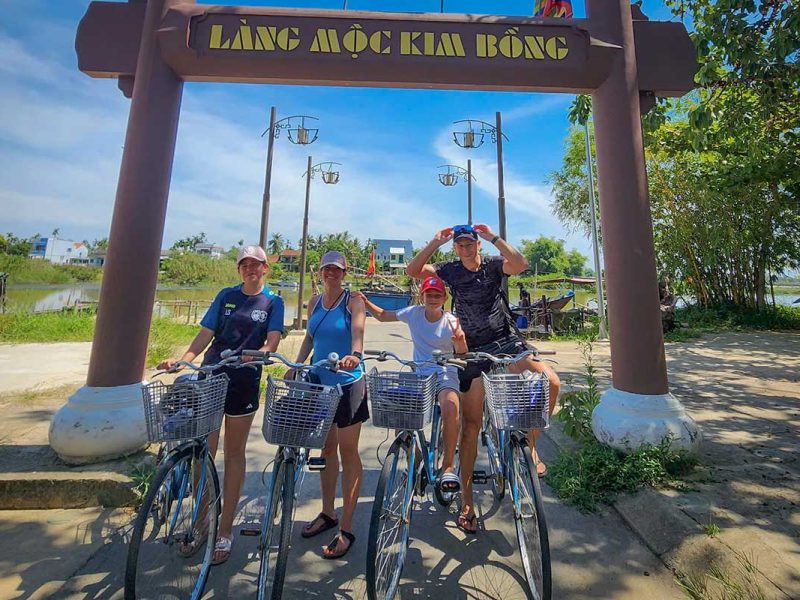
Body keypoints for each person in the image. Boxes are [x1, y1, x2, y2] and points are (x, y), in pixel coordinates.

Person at [407, 224, 560, 535]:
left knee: (551, 382)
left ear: (477, 245)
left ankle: (530, 445)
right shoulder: (449, 269)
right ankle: (467, 503)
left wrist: (493, 237)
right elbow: (413, 271)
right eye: (460, 244)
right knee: (471, 425)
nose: (465, 248)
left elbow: (519, 264)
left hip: (505, 340)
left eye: (470, 243)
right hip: (469, 349)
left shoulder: (492, 264)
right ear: (456, 248)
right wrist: (436, 242)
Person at [158, 245, 284, 564]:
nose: (250, 269)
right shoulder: (225, 296)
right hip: (212, 375)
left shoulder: (273, 301)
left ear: (265, 269)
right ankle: (201, 524)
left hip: (244, 379)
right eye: (245, 265)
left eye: (256, 264)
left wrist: (261, 353)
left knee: (234, 453)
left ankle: (224, 530)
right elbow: (206, 334)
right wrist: (184, 360)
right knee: (204, 452)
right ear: (239, 269)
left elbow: (272, 339)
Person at [353, 275, 468, 500]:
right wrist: (366, 303)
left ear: (444, 298)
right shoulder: (414, 313)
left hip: (445, 373)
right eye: (429, 294)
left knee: (451, 405)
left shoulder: (452, 321)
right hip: (419, 374)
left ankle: (448, 467)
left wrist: (460, 342)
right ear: (422, 296)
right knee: (401, 414)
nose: (433, 299)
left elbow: (462, 352)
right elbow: (384, 316)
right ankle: (413, 457)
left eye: (437, 295)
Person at [290, 250, 368, 559]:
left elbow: (359, 332)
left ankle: (346, 526)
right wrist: (296, 364)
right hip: (319, 381)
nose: (331, 273)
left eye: (337, 269)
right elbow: (310, 338)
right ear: (320, 272)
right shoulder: (314, 302)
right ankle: (328, 512)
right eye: (327, 269)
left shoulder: (354, 301)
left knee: (349, 453)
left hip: (348, 383)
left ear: (345, 272)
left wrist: (356, 355)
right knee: (326, 449)